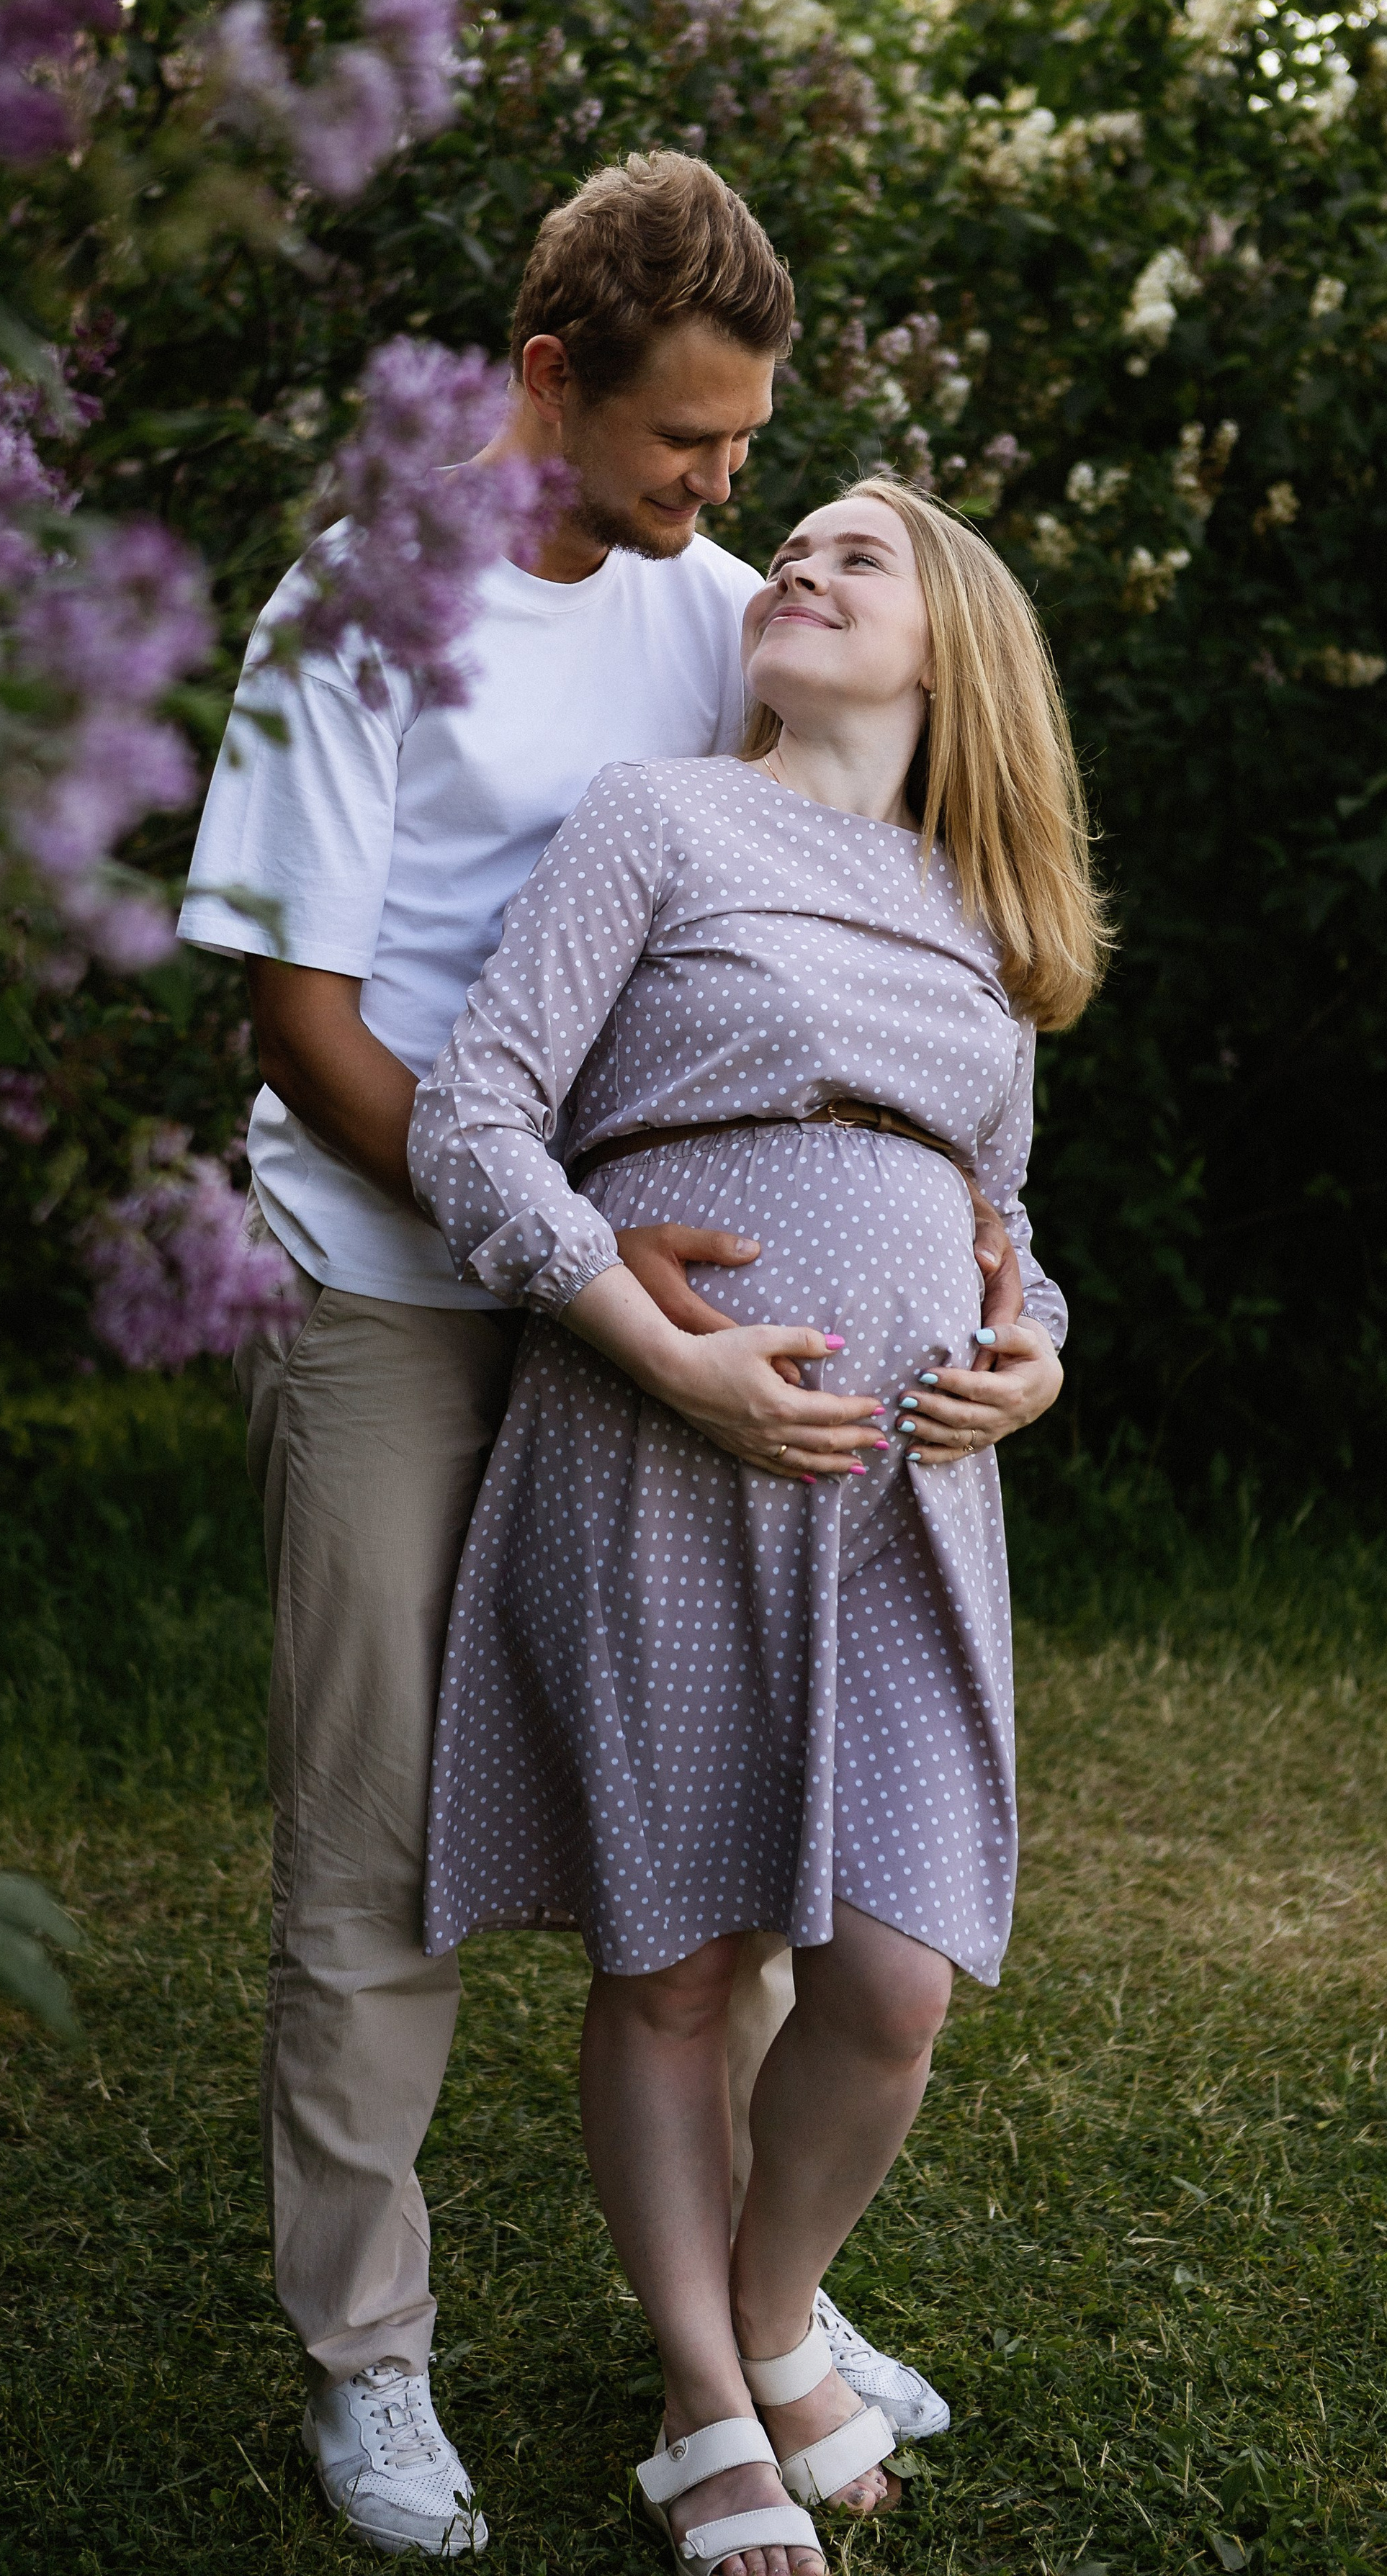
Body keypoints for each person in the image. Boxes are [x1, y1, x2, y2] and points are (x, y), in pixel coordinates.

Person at [179, 158, 997, 2555]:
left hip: (670, 1319)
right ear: (547, 381)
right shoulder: (361, 610)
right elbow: (306, 1017)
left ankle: (758, 2314)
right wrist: (571, 1258)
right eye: (684, 445)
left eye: (751, 452)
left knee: (730, 1809)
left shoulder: (725, 615)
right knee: (379, 1850)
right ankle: (370, 2356)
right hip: (400, 1279)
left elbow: (870, 916)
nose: (723, 494)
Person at [408, 474, 1106, 2576]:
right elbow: (475, 1113)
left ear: (949, 643)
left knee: (892, 1982)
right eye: (784, 547)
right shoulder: (658, 819)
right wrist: (654, 1339)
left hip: (908, 1495)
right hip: (664, 1448)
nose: (794, 564)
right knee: (683, 1961)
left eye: (853, 552)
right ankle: (712, 2413)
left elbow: (1010, 1238)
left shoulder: (987, 929)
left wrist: (1040, 1355)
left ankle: (774, 2313)